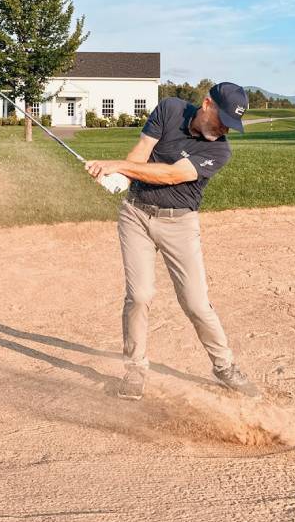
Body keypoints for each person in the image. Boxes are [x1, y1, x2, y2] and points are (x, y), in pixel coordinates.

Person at [84, 82, 257, 401]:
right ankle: (135, 368)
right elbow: (140, 153)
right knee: (139, 295)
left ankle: (224, 366)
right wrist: (121, 178)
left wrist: (118, 166)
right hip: (135, 215)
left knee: (195, 302)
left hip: (179, 223)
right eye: (223, 121)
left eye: (232, 127)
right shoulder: (170, 109)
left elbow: (172, 176)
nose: (225, 131)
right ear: (207, 104)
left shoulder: (219, 150)